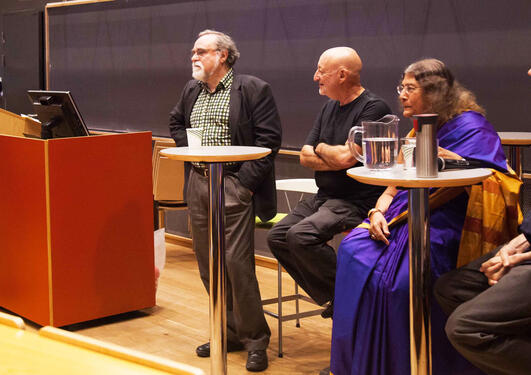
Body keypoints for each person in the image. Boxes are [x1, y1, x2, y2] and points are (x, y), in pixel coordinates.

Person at [330, 58, 516, 375]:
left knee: (401, 283)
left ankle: (414, 365)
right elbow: (393, 187)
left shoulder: (472, 126)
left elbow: (499, 180)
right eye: (401, 87)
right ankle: (365, 365)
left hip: (448, 221)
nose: (401, 94)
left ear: (433, 92)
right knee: (352, 248)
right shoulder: (419, 127)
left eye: (409, 87)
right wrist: (378, 211)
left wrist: (455, 161)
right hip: (404, 212)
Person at [168, 29, 282, 372]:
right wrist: (190, 150)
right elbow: (175, 122)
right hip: (199, 184)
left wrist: (243, 185)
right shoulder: (192, 89)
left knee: (236, 264)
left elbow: (269, 142)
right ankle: (228, 331)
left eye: (201, 51)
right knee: (208, 264)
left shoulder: (252, 89)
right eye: (193, 52)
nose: (194, 57)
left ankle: (255, 339)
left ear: (223, 56)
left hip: (233, 184)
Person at [267, 47, 391, 320]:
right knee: (277, 237)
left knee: (301, 236)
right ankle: (339, 296)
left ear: (343, 75)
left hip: (356, 200)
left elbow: (347, 159)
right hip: (324, 196)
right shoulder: (329, 107)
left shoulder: (374, 107)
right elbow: (304, 155)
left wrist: (320, 147)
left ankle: (349, 297)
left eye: (321, 71)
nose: (315, 77)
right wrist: (329, 152)